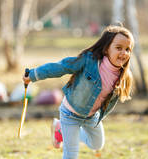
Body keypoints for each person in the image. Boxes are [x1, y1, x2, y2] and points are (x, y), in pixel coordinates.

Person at [23, 24, 134, 159]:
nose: (124, 53)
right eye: (119, 48)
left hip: (91, 117)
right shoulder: (89, 61)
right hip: (70, 114)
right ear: (106, 49)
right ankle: (64, 128)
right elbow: (61, 67)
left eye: (128, 49)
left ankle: (60, 130)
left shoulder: (124, 76)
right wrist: (34, 74)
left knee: (97, 144)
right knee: (71, 154)